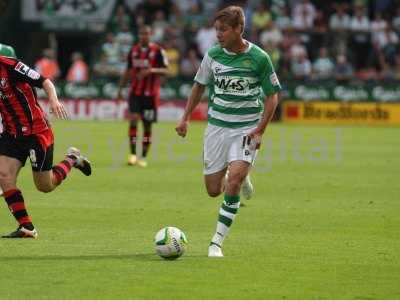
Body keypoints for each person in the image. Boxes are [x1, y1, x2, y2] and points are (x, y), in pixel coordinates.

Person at [175, 6, 281, 258]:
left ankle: (216, 242)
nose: (218, 35)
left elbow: (272, 98)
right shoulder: (213, 55)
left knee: (232, 182)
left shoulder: (259, 58)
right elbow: (199, 86)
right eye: (216, 30)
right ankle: (241, 176)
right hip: (217, 128)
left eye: (223, 30)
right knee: (213, 189)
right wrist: (185, 118)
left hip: (246, 129)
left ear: (238, 30)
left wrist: (260, 131)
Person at [0, 53, 92, 239]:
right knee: (4, 175)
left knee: (45, 185)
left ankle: (72, 159)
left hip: (36, 133)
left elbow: (45, 81)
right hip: (12, 134)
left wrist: (54, 101)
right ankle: (26, 227)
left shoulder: (10, 65)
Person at [117, 25, 169, 167]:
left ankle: (143, 156)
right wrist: (120, 90)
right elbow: (127, 71)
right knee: (133, 120)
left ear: (150, 35)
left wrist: (151, 70)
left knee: (147, 126)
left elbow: (166, 70)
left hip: (150, 96)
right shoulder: (133, 51)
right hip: (135, 93)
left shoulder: (158, 51)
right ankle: (133, 154)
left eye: (146, 34)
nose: (143, 36)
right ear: (138, 35)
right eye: (141, 34)